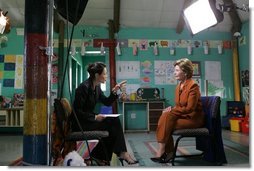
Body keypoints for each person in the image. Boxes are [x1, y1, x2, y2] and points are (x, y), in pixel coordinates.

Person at [71, 62, 138, 166]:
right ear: (97, 75)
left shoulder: (97, 87)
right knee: (111, 125)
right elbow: (77, 111)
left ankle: (104, 156)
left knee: (113, 121)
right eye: (105, 73)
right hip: (81, 123)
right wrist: (94, 117)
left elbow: (106, 102)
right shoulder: (83, 87)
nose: (106, 76)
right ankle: (116, 154)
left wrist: (114, 92)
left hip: (88, 120)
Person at [150, 58, 205, 163]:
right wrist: (171, 109)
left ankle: (164, 151)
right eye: (174, 70)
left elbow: (190, 108)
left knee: (166, 123)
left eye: (177, 70)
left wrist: (172, 111)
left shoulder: (193, 86)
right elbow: (179, 106)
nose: (174, 73)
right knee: (166, 117)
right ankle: (166, 151)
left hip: (193, 119)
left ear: (185, 72)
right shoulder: (178, 86)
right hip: (183, 117)